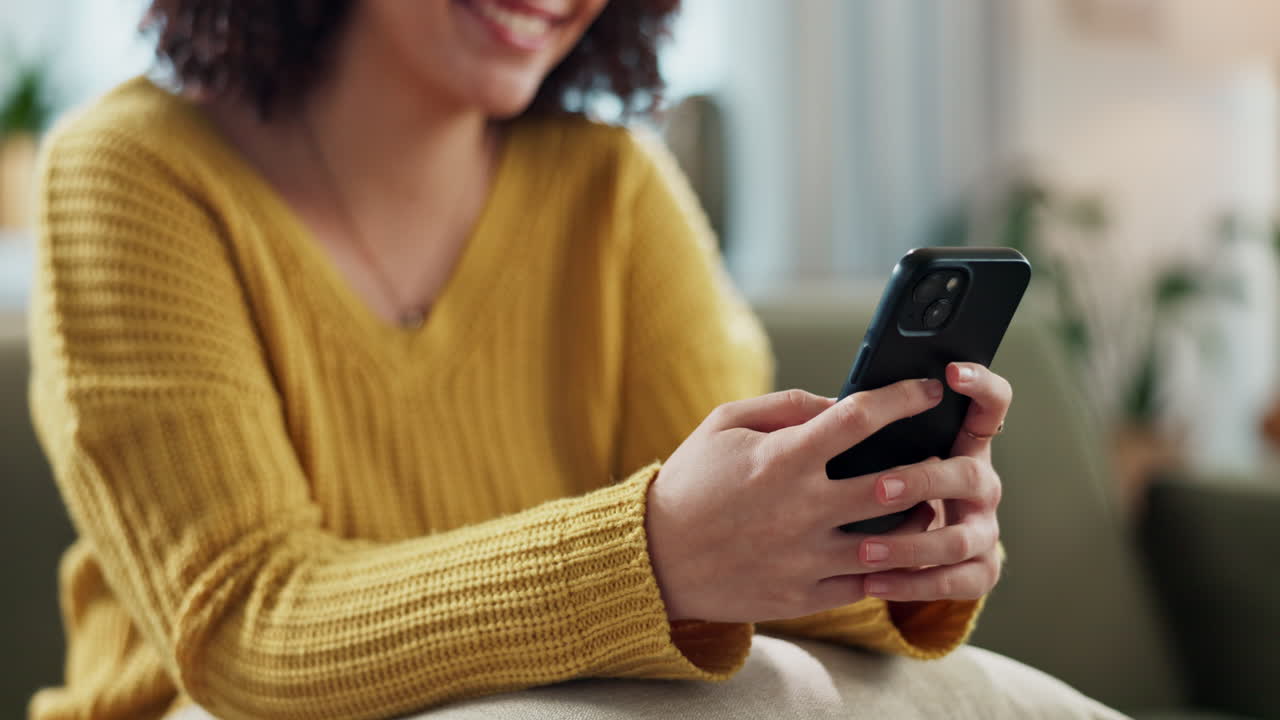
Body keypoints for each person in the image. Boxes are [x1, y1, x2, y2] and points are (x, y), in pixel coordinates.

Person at [27, 1, 1113, 719]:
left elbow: (734, 570)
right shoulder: (131, 170)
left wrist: (875, 548)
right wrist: (649, 553)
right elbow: (240, 627)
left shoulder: (614, 190)